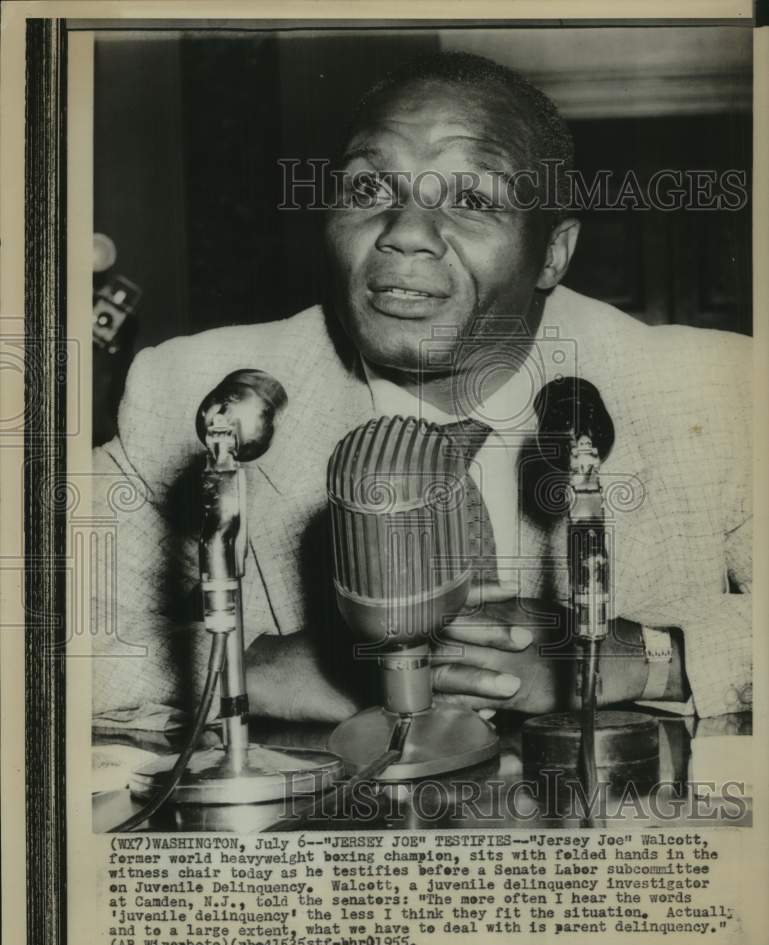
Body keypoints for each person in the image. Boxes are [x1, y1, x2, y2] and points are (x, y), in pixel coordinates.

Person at [91, 51, 752, 729]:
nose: (405, 234)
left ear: (552, 252)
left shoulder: (714, 390)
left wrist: (650, 656)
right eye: (367, 190)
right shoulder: (196, 393)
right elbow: (45, 627)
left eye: (472, 200)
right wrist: (250, 666)